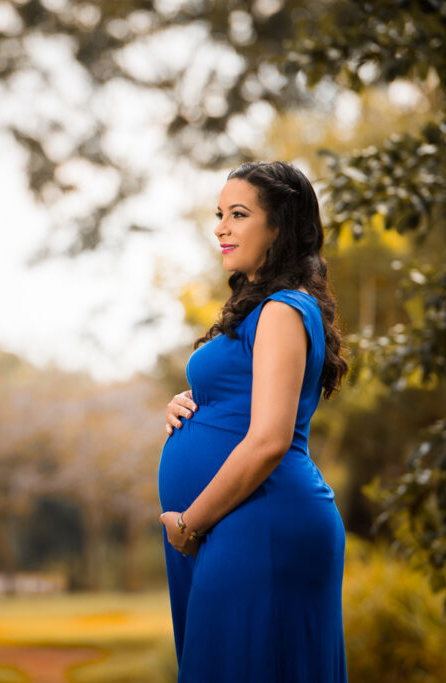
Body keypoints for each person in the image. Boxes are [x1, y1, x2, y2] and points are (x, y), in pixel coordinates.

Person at [158, 160, 351, 682]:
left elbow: (268, 440)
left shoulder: (284, 310)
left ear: (280, 225)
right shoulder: (259, 309)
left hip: (257, 524)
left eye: (238, 214)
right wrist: (192, 402)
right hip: (234, 524)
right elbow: (245, 397)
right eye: (219, 214)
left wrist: (188, 524)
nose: (221, 226)